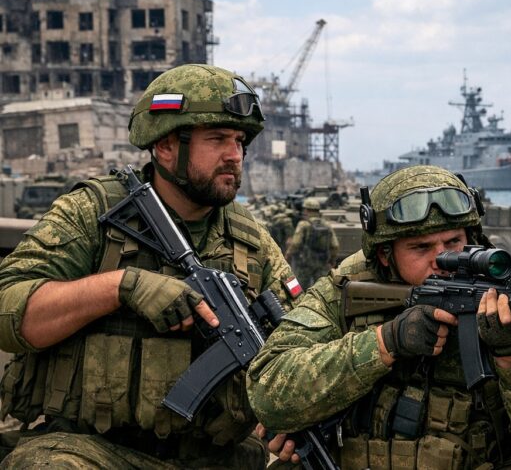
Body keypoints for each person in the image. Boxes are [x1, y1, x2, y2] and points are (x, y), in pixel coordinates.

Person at [0, 64, 301, 468]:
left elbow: (299, 341)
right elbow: (8, 309)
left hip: (217, 459)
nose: (234, 155)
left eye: (239, 141)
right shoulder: (93, 213)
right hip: (94, 451)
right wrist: (122, 287)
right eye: (217, 139)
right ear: (165, 146)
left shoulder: (251, 241)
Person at [247, 165, 511, 469]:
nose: (442, 259)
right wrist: (385, 342)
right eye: (421, 247)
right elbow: (267, 392)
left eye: (454, 242)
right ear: (385, 255)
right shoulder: (345, 290)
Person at [283, 197, 339, 289]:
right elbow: (335, 245)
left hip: (304, 264)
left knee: (298, 288)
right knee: (322, 288)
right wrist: (332, 260)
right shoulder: (327, 225)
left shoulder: (303, 224)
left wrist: (287, 256)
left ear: (306, 210)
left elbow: (295, 244)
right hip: (322, 263)